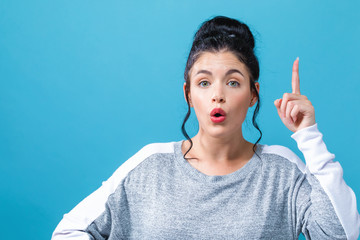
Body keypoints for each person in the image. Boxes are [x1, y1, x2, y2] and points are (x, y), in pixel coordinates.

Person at [52, 16, 360, 239]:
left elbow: (341, 234)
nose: (218, 94)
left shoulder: (282, 171)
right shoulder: (150, 164)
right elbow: (68, 231)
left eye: (233, 82)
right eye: (203, 82)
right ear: (188, 93)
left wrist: (308, 135)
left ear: (254, 94)